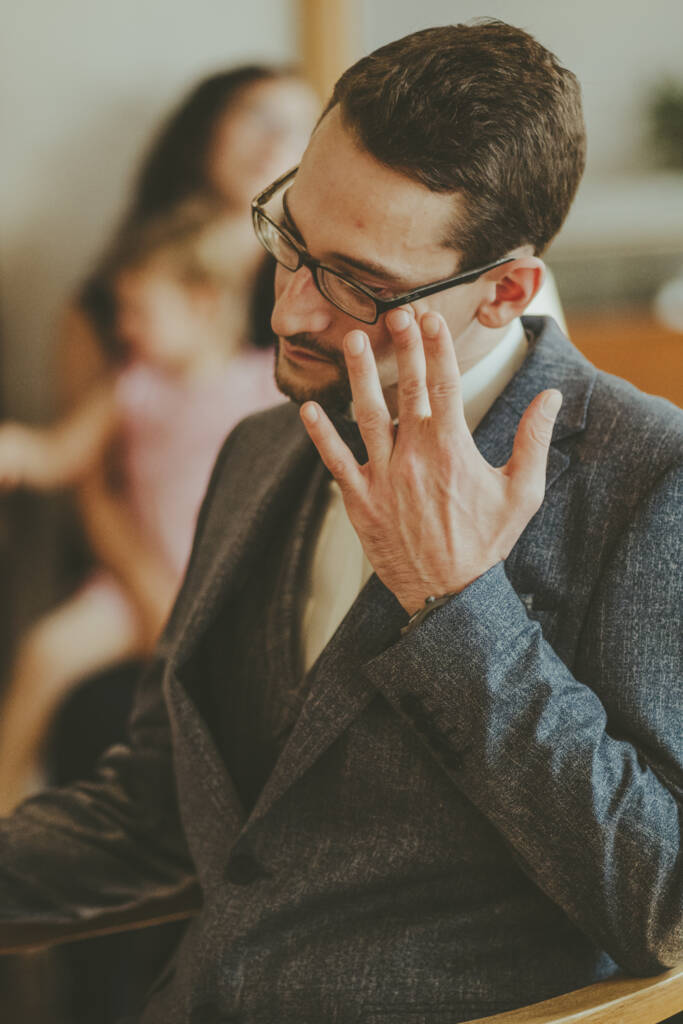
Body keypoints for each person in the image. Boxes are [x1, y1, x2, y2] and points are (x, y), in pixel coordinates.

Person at [0, 19, 681, 1024]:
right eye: (288, 239)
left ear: (504, 290)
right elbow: (160, 806)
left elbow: (664, 901)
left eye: (360, 286)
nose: (289, 312)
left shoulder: (647, 481)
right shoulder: (259, 449)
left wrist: (456, 606)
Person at [0, 203, 282, 816]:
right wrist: (17, 451)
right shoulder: (133, 385)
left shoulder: (263, 384)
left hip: (218, 591)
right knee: (45, 652)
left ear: (204, 301)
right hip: (132, 589)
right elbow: (62, 453)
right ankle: (6, 788)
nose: (124, 327)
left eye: (139, 310)